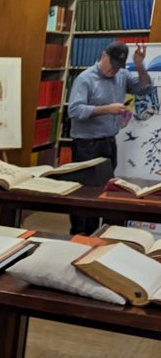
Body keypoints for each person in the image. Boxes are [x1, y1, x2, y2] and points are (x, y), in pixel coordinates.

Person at [67, 40, 152, 234]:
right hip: (86, 146)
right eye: (111, 66)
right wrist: (107, 109)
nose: (113, 71)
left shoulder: (122, 75)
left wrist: (139, 66)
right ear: (103, 55)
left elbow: (144, 89)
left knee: (104, 192)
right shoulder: (85, 79)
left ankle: (95, 235)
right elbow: (74, 110)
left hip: (108, 144)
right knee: (83, 194)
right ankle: (79, 235)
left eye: (117, 67)